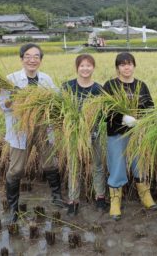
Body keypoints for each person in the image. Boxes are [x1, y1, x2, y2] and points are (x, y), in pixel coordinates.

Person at [0, 43, 65, 223]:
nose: (32, 60)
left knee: (50, 163)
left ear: (40, 60)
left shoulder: (46, 79)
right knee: (16, 169)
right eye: (28, 56)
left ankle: (57, 196)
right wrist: (17, 99)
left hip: (43, 127)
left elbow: (56, 100)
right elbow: (2, 105)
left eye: (36, 56)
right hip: (21, 129)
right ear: (21, 59)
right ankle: (13, 207)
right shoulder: (11, 79)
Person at [102, 52, 157, 221]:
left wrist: (141, 120)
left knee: (140, 164)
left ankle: (145, 195)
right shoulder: (110, 85)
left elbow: (150, 108)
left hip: (138, 133)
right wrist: (123, 118)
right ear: (117, 67)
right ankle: (115, 201)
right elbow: (105, 110)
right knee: (117, 165)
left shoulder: (141, 86)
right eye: (122, 64)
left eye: (129, 64)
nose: (126, 67)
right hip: (117, 133)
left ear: (134, 66)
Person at [61, 54, 107, 216]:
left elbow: (103, 114)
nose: (85, 68)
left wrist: (92, 131)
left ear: (93, 68)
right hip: (74, 133)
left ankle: (100, 197)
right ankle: (73, 200)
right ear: (77, 68)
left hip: (95, 132)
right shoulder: (67, 87)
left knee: (98, 165)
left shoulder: (99, 89)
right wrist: (73, 128)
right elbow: (60, 111)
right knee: (74, 166)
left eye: (89, 65)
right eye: (82, 65)